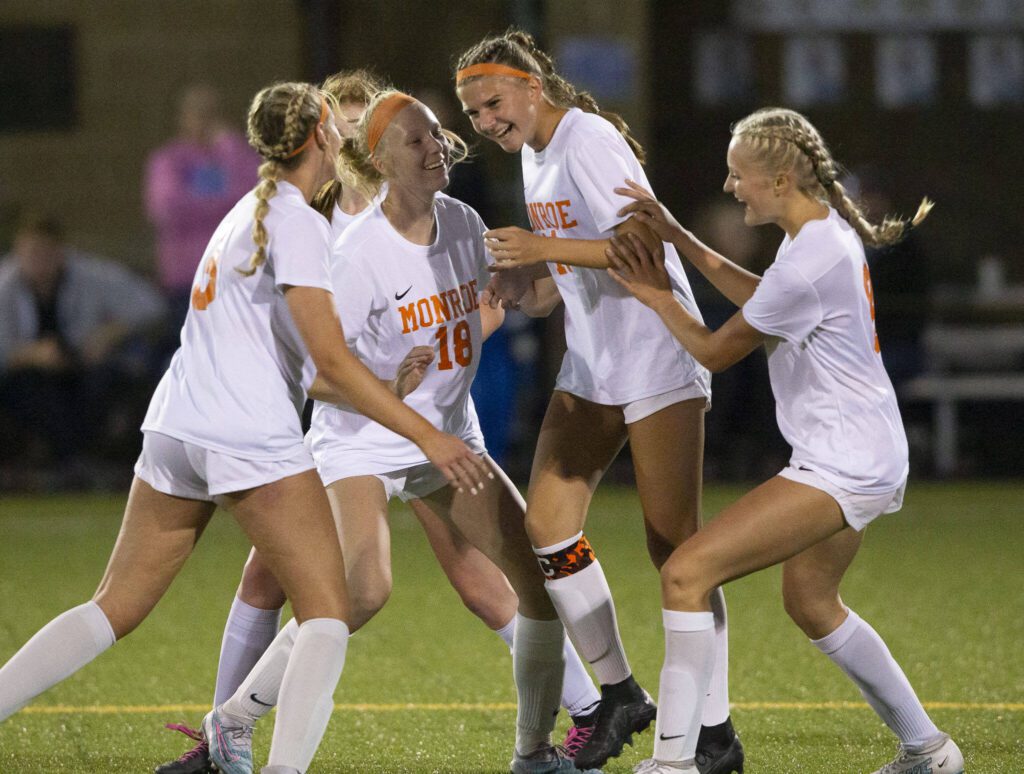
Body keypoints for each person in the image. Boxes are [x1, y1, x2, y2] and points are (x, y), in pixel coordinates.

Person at [0, 81, 488, 774]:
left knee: (113, 606)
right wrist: (426, 431)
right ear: (321, 135)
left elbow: (303, 357)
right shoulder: (295, 222)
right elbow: (331, 362)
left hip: (176, 428)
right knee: (327, 615)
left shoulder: (250, 210)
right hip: (244, 435)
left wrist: (381, 387)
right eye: (335, 122)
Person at [156, 70, 598, 774]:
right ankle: (230, 725)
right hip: (360, 439)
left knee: (523, 582)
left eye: (433, 134)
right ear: (372, 155)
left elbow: (503, 299)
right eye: (411, 137)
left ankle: (540, 747)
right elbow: (320, 373)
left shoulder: (460, 220)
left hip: (445, 433)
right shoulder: (342, 244)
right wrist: (393, 388)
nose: (435, 146)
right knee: (358, 588)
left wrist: (579, 262)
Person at [604, 107, 963, 774]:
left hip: (843, 461)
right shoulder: (818, 237)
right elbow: (765, 301)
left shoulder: (809, 258)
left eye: (739, 176)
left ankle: (675, 762)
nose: (731, 186)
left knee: (685, 572)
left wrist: (656, 296)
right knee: (811, 602)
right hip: (863, 449)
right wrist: (679, 236)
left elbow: (715, 350)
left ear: (777, 180)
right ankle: (929, 750)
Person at [454, 29, 742, 773]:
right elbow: (573, 270)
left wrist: (539, 251)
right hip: (594, 363)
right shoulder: (532, 154)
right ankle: (619, 692)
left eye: (493, 102)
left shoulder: (588, 138)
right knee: (549, 530)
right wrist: (532, 287)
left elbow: (644, 240)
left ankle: (715, 731)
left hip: (655, 353)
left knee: (676, 549)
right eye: (473, 113)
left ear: (530, 85)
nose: (485, 121)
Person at [0, 212, 167, 473]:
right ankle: (57, 462)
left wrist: (107, 334)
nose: (38, 262)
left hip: (82, 369)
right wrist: (32, 355)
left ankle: (92, 460)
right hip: (29, 378)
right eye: (31, 254)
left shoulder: (89, 275)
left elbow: (149, 305)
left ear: (60, 252)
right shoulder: (5, 286)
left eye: (45, 253)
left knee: (108, 382)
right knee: (32, 390)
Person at [145, 83, 260, 332]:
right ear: (182, 118)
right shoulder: (168, 161)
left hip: (234, 277)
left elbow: (257, 198)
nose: (205, 121)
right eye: (197, 113)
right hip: (187, 278)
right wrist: (226, 204)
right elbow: (168, 210)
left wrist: (231, 149)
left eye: (211, 113)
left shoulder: (236, 156)